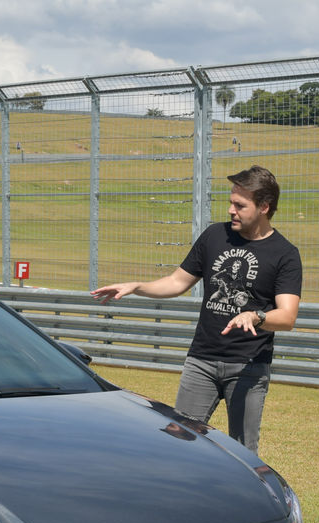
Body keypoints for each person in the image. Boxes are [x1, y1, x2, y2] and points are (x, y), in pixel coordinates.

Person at [91, 165, 302, 454]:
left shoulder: (285, 254)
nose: (231, 210)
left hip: (249, 366)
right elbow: (177, 282)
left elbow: (287, 316)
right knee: (179, 442)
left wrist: (256, 316)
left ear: (264, 207)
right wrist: (137, 286)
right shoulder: (214, 236)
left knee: (243, 451)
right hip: (201, 360)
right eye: (230, 202)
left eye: (240, 205)